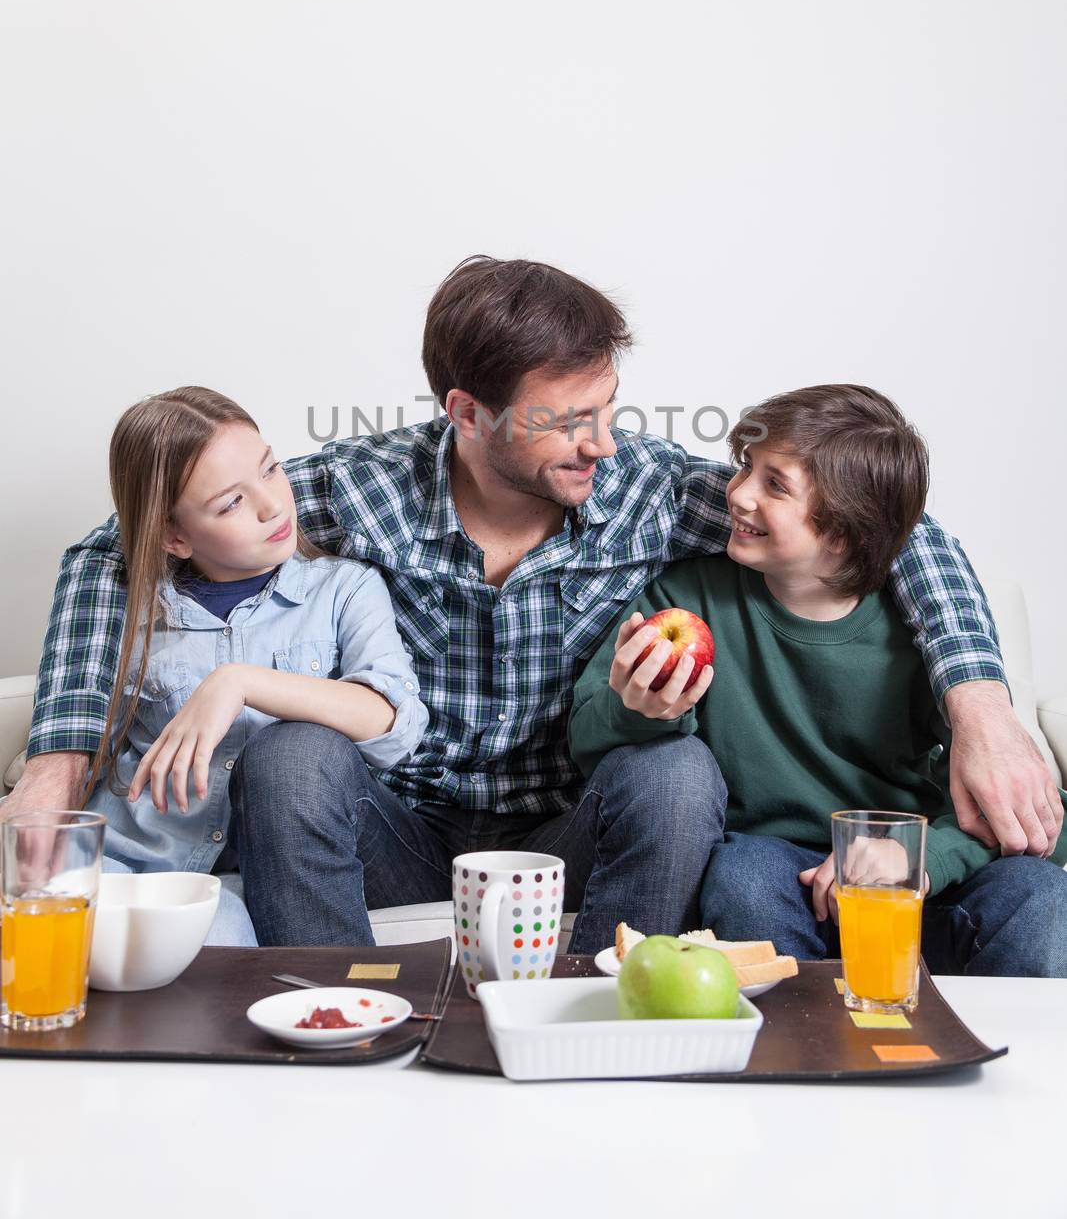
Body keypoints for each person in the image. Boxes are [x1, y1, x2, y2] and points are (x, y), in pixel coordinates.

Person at [7, 261, 1059, 950]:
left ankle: (599, 1019)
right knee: (292, 752)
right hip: (401, 828)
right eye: (565, 422)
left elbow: (897, 529)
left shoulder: (646, 488)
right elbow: (118, 543)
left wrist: (978, 706)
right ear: (467, 413)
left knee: (676, 772)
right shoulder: (360, 488)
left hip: (570, 831)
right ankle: (330, 1011)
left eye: (607, 409)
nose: (600, 443)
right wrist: (56, 758)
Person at [568, 385, 1067, 975]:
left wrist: (913, 859)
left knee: (1040, 896)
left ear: (846, 533)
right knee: (745, 879)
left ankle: (1012, 1062)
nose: (738, 494)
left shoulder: (917, 637)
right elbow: (585, 737)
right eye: (745, 468)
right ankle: (799, 1054)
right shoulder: (687, 597)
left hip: (907, 880)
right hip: (772, 867)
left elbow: (1038, 821)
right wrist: (641, 708)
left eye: (774, 485)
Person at [78, 386, 427, 944]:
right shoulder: (132, 613)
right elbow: (84, 738)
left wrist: (239, 683)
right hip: (135, 862)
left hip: (259, 875)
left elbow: (391, 723)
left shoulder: (343, 588)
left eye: (271, 471)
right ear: (174, 536)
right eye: (231, 503)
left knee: (223, 936)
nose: (272, 505)